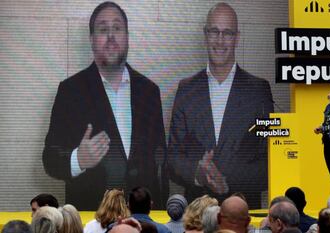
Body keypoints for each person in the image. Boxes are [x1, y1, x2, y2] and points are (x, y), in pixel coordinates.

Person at [42, 1, 166, 210]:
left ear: (127, 37)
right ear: (92, 39)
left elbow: (160, 159)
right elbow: (50, 158)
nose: (111, 36)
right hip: (94, 219)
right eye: (102, 29)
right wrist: (78, 159)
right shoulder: (70, 91)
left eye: (117, 28)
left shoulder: (149, 91)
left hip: (142, 220)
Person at [168, 2, 274, 209]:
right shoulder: (186, 89)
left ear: (237, 38)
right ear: (205, 35)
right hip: (197, 215)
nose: (220, 40)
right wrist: (199, 175)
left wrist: (225, 180)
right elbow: (172, 158)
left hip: (242, 213)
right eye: (214, 31)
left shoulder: (258, 90)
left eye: (227, 33)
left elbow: (269, 160)